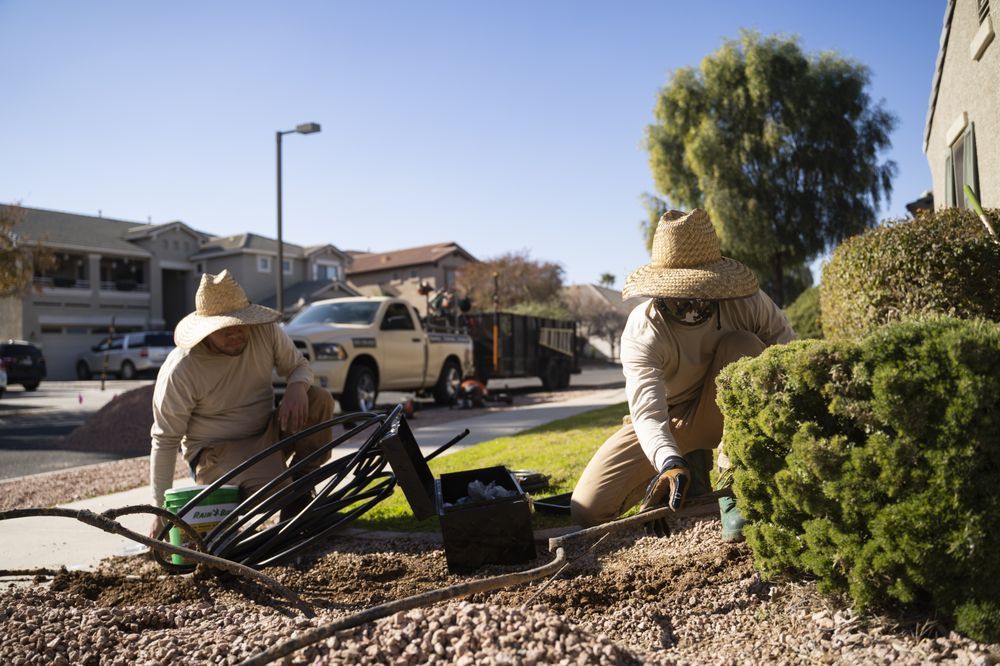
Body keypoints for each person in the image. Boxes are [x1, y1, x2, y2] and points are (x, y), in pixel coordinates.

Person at [570, 208, 796, 541]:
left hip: (725, 410)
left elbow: (787, 354)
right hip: (670, 420)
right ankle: (690, 461)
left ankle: (734, 480)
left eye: (699, 291)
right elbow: (648, 413)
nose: (690, 303)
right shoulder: (643, 329)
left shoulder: (747, 303)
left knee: (744, 344)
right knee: (588, 509)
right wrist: (668, 461)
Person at [148, 270, 334, 535]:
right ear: (207, 330)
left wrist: (297, 386)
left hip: (268, 433)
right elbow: (165, 439)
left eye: (240, 324)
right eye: (225, 329)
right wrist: (160, 510)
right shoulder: (182, 369)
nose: (235, 333)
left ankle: (301, 490)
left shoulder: (265, 331)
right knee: (274, 494)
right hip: (216, 452)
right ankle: (275, 496)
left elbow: (299, 365)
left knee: (319, 399)